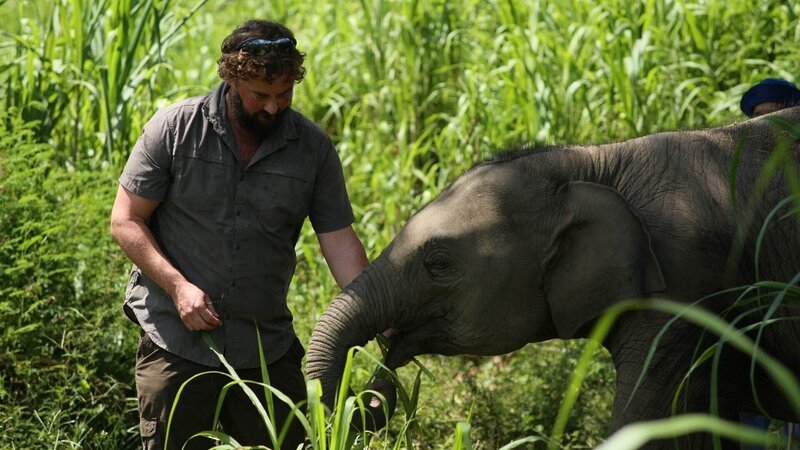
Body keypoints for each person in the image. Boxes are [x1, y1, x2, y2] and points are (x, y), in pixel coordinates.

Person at [110, 19, 369, 450]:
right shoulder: (175, 130)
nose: (272, 107)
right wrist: (177, 287)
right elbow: (125, 220)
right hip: (177, 341)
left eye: (283, 93)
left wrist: (378, 313)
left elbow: (340, 243)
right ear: (230, 77)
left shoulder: (314, 149)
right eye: (260, 96)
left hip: (265, 348)